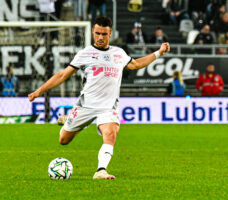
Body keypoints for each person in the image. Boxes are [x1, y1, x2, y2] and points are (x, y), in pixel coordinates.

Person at [28, 16, 170, 180]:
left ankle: (101, 170)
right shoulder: (85, 53)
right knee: (63, 140)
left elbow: (136, 64)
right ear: (93, 33)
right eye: (97, 33)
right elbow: (62, 75)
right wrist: (39, 91)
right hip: (85, 106)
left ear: (110, 33)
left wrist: (159, 53)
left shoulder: (118, 53)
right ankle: (72, 121)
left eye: (104, 34)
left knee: (110, 133)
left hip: (108, 107)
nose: (100, 37)